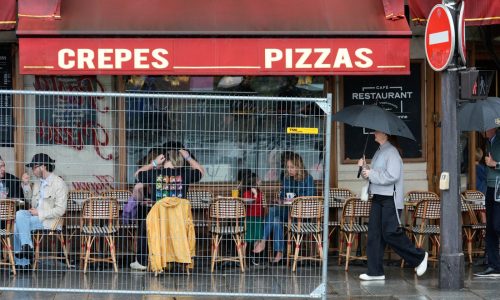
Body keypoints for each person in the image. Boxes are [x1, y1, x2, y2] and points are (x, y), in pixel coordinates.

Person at [357, 131, 427, 281]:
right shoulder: (379, 151)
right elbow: (373, 175)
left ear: (386, 134)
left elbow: (392, 176)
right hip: (377, 197)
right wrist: (364, 168)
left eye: (377, 131)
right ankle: (375, 272)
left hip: (390, 199)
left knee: (390, 233)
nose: (374, 133)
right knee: (375, 235)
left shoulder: (392, 152)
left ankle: (419, 256)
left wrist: (371, 173)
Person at [129, 145, 204, 271]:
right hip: (179, 223)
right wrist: (188, 157)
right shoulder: (185, 174)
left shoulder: (154, 173)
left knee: (144, 226)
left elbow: (137, 175)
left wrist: (154, 163)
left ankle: (142, 262)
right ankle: (178, 258)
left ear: (164, 160)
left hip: (159, 222)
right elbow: (201, 171)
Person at [253, 152, 316, 264]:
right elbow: (283, 196)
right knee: (276, 219)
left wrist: (294, 200)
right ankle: (279, 253)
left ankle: (262, 240)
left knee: (273, 214)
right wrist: (280, 200)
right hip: (288, 212)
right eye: (287, 167)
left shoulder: (308, 179)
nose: (289, 170)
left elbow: (309, 199)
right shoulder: (286, 178)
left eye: (292, 167)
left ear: (298, 166)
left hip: (301, 215)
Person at [14, 153, 68, 268]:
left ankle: (23, 263)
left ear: (43, 167)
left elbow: (60, 210)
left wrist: (40, 213)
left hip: (51, 221)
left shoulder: (59, 183)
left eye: (34, 167)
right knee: (19, 214)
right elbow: (30, 200)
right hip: (36, 217)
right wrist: (26, 184)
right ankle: (27, 248)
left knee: (16, 226)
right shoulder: (38, 183)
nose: (32, 170)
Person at [474, 128, 500, 277]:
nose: (483, 130)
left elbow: (493, 163)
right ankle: (494, 265)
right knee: (489, 227)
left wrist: (494, 164)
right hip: (490, 187)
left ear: (494, 127)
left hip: (499, 186)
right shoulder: (488, 142)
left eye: (485, 127)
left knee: (497, 226)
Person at [238, 169, 264, 266]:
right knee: (246, 238)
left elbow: (260, 203)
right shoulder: (247, 193)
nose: (260, 181)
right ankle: (243, 258)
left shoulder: (259, 192)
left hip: (258, 218)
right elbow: (250, 203)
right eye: (258, 180)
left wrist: (257, 194)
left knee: (257, 237)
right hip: (248, 219)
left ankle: (255, 256)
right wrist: (255, 195)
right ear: (253, 182)